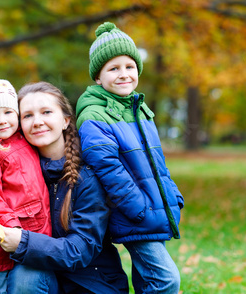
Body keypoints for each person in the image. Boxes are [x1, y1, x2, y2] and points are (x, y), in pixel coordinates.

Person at [0, 82, 129, 294]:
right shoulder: (15, 169)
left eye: (46, 112)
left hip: (89, 285)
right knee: (27, 274)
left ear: (66, 120)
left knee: (28, 276)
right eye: (27, 115)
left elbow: (80, 250)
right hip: (45, 281)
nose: (37, 121)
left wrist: (23, 241)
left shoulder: (87, 176)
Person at [76, 22, 184, 293]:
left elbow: (156, 163)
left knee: (147, 280)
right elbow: (108, 169)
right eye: (113, 68)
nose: (123, 74)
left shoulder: (139, 110)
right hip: (133, 213)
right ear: (98, 78)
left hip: (149, 209)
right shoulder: (94, 115)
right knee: (166, 280)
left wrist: (174, 194)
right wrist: (139, 208)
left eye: (129, 67)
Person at [0, 79, 54, 293]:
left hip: (29, 235)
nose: (2, 120)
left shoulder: (23, 140)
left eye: (8, 112)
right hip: (1, 245)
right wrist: (11, 229)